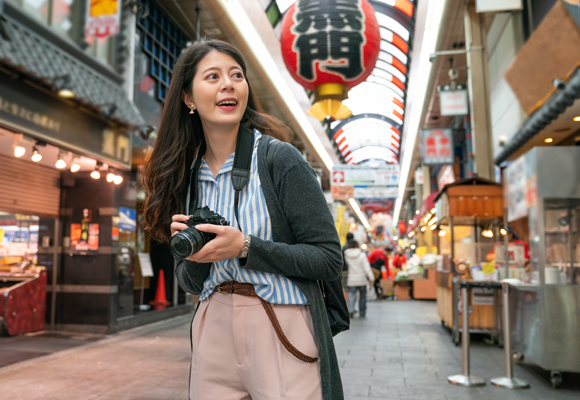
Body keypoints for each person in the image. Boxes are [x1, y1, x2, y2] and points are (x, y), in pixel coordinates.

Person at [141, 40, 343, 400]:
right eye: (213, 76)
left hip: (281, 321)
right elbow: (189, 282)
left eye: (237, 75)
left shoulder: (279, 160)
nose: (228, 84)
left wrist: (245, 246)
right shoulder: (186, 174)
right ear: (188, 98)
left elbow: (328, 258)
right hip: (212, 321)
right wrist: (193, 257)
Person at [344, 239, 375, 318]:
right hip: (361, 279)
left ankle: (350, 310)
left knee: (351, 295)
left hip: (352, 279)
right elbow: (366, 268)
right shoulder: (362, 255)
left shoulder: (346, 255)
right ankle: (362, 312)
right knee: (362, 297)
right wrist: (371, 278)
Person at [341, 232, 354, 302]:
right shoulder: (356, 247)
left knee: (346, 290)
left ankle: (347, 307)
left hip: (345, 270)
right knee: (353, 290)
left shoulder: (343, 248)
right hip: (354, 271)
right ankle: (353, 307)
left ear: (346, 238)